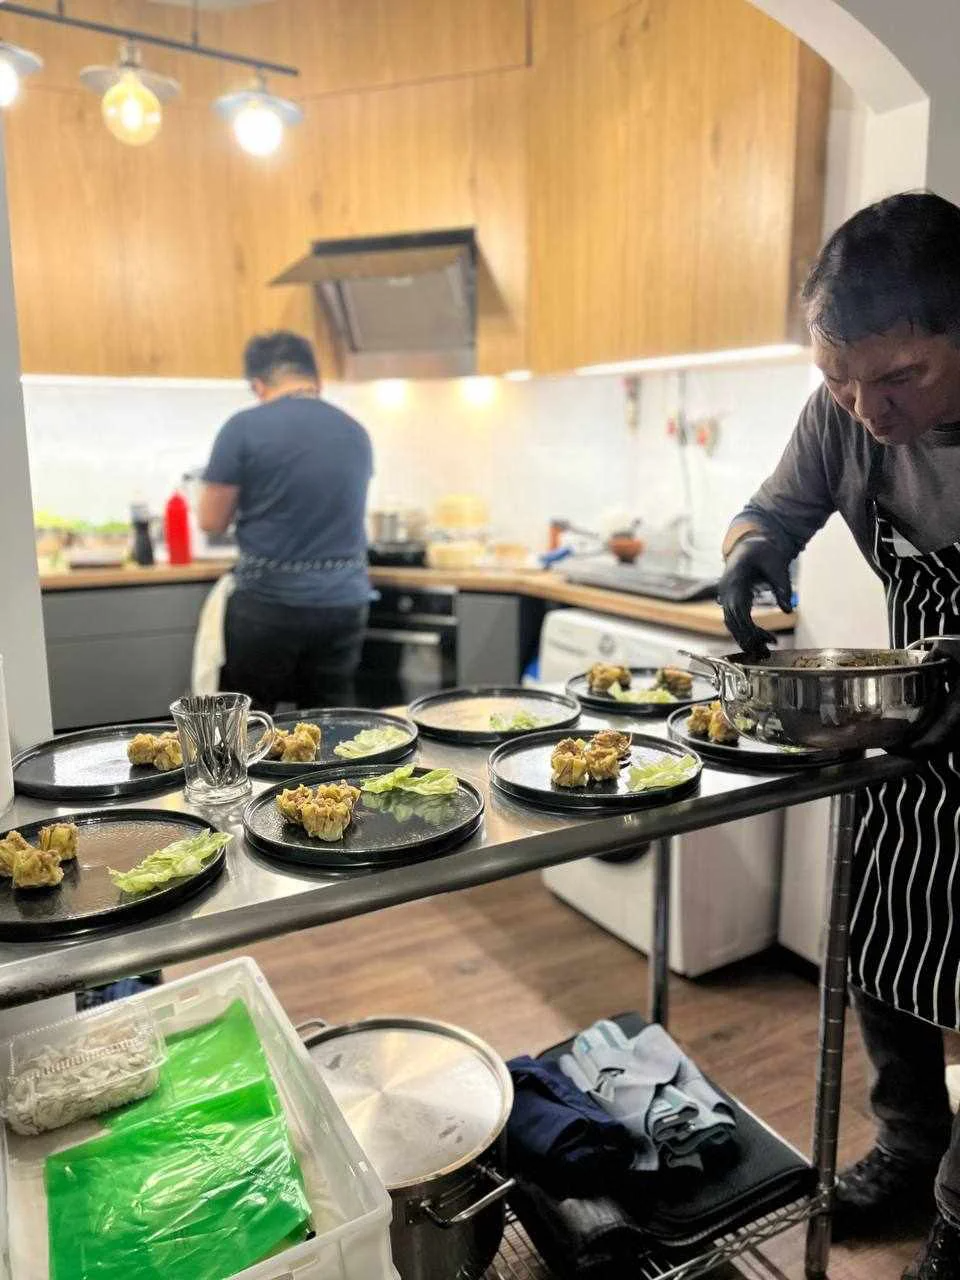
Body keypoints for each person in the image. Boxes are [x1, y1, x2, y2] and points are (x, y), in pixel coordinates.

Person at [718, 192, 960, 1280]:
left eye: (899, 379)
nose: (866, 408)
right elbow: (772, 504)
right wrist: (750, 547)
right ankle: (909, 1150)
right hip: (915, 725)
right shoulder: (847, 404)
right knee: (882, 931)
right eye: (839, 380)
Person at [199, 331, 373, 710]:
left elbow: (211, 520)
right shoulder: (355, 431)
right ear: (316, 379)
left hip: (269, 604)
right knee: (332, 725)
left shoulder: (243, 428)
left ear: (258, 384)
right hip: (344, 604)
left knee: (250, 726)